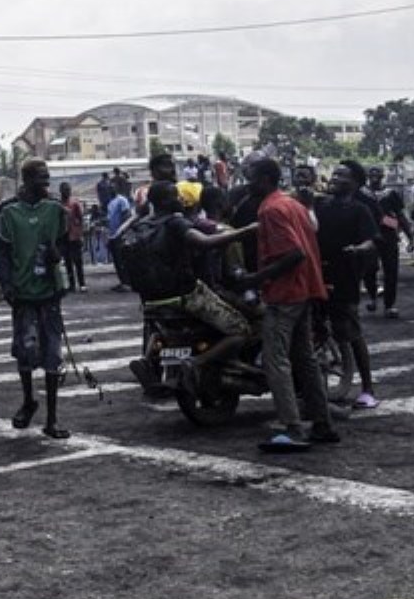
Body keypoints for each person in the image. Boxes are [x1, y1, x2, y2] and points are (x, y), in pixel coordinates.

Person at [121, 182, 257, 392]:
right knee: (241, 330)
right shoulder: (175, 223)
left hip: (151, 300)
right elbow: (204, 242)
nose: (180, 200)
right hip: (185, 295)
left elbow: (115, 240)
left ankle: (147, 360)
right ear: (166, 200)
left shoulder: (141, 225)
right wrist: (245, 232)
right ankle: (195, 363)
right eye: (175, 196)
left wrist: (137, 214)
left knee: (160, 330)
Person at [241, 158, 334, 451]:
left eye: (253, 177)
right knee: (304, 359)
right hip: (304, 290)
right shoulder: (293, 204)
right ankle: (322, 423)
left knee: (275, 360)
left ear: (267, 178)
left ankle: (293, 428)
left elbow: (293, 254)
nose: (248, 183)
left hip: (285, 294)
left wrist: (256, 278)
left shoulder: (271, 209)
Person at [0, 159, 71, 439]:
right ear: (26, 180)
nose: (46, 183)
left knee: (52, 354)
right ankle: (29, 400)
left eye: (47, 178)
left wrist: (57, 255)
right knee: (25, 351)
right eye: (40, 178)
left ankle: (52, 418)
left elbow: (64, 242)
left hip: (49, 293)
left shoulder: (55, 209)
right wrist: (6, 283)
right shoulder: (8, 211)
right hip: (22, 293)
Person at [313, 165, 380, 410]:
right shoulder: (320, 205)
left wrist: (358, 250)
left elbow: (371, 241)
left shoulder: (360, 210)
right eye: (335, 173)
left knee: (350, 331)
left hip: (344, 277)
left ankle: (367, 389)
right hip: (317, 273)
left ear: (355, 183)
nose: (335, 177)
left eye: (342, 175)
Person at [361, 165, 411, 318]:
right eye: (372, 172)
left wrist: (410, 236)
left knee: (391, 271)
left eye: (378, 172)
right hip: (368, 236)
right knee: (369, 269)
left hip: (388, 236)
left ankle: (389, 305)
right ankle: (373, 297)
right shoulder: (361, 194)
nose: (374, 175)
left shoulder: (391, 194)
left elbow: (400, 215)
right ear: (367, 175)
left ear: (383, 175)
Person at [59, 183, 87, 292]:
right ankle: (71, 285)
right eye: (64, 190)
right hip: (63, 236)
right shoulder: (58, 204)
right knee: (67, 261)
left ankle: (82, 284)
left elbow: (80, 219)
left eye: (68, 190)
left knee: (78, 261)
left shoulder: (74, 203)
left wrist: (81, 234)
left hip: (74, 235)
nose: (66, 192)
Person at [106, 189, 134, 292]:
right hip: (113, 235)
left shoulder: (122, 200)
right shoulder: (110, 202)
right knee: (117, 260)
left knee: (122, 259)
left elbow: (126, 214)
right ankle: (123, 282)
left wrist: (123, 231)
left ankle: (127, 282)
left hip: (120, 234)